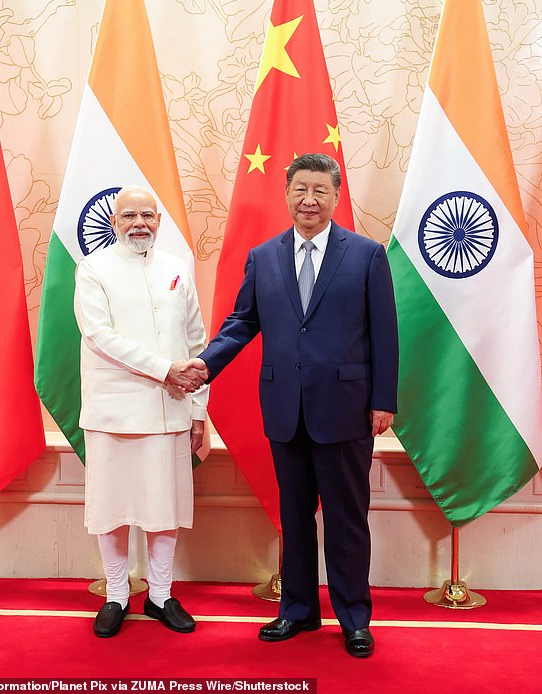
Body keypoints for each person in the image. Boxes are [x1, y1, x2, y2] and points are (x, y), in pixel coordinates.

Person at [193, 153, 398, 657]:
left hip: (346, 409)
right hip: (286, 408)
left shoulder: (366, 255)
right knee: (295, 517)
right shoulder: (263, 257)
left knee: (347, 519)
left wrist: (383, 401)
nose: (309, 200)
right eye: (300, 190)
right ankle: (298, 610)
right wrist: (204, 364)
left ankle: (354, 618)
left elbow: (385, 334)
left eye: (320, 191)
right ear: (287, 194)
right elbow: (243, 322)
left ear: (335, 197)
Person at [74, 185, 208, 638]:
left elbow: (196, 341)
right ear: (114, 222)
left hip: (170, 410)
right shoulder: (93, 268)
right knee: (111, 509)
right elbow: (99, 336)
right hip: (112, 412)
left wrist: (199, 410)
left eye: (147, 215)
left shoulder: (176, 268)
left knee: (164, 508)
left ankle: (160, 595)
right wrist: (165, 369)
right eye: (129, 215)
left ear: (158, 221)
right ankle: (116, 594)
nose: (139, 223)